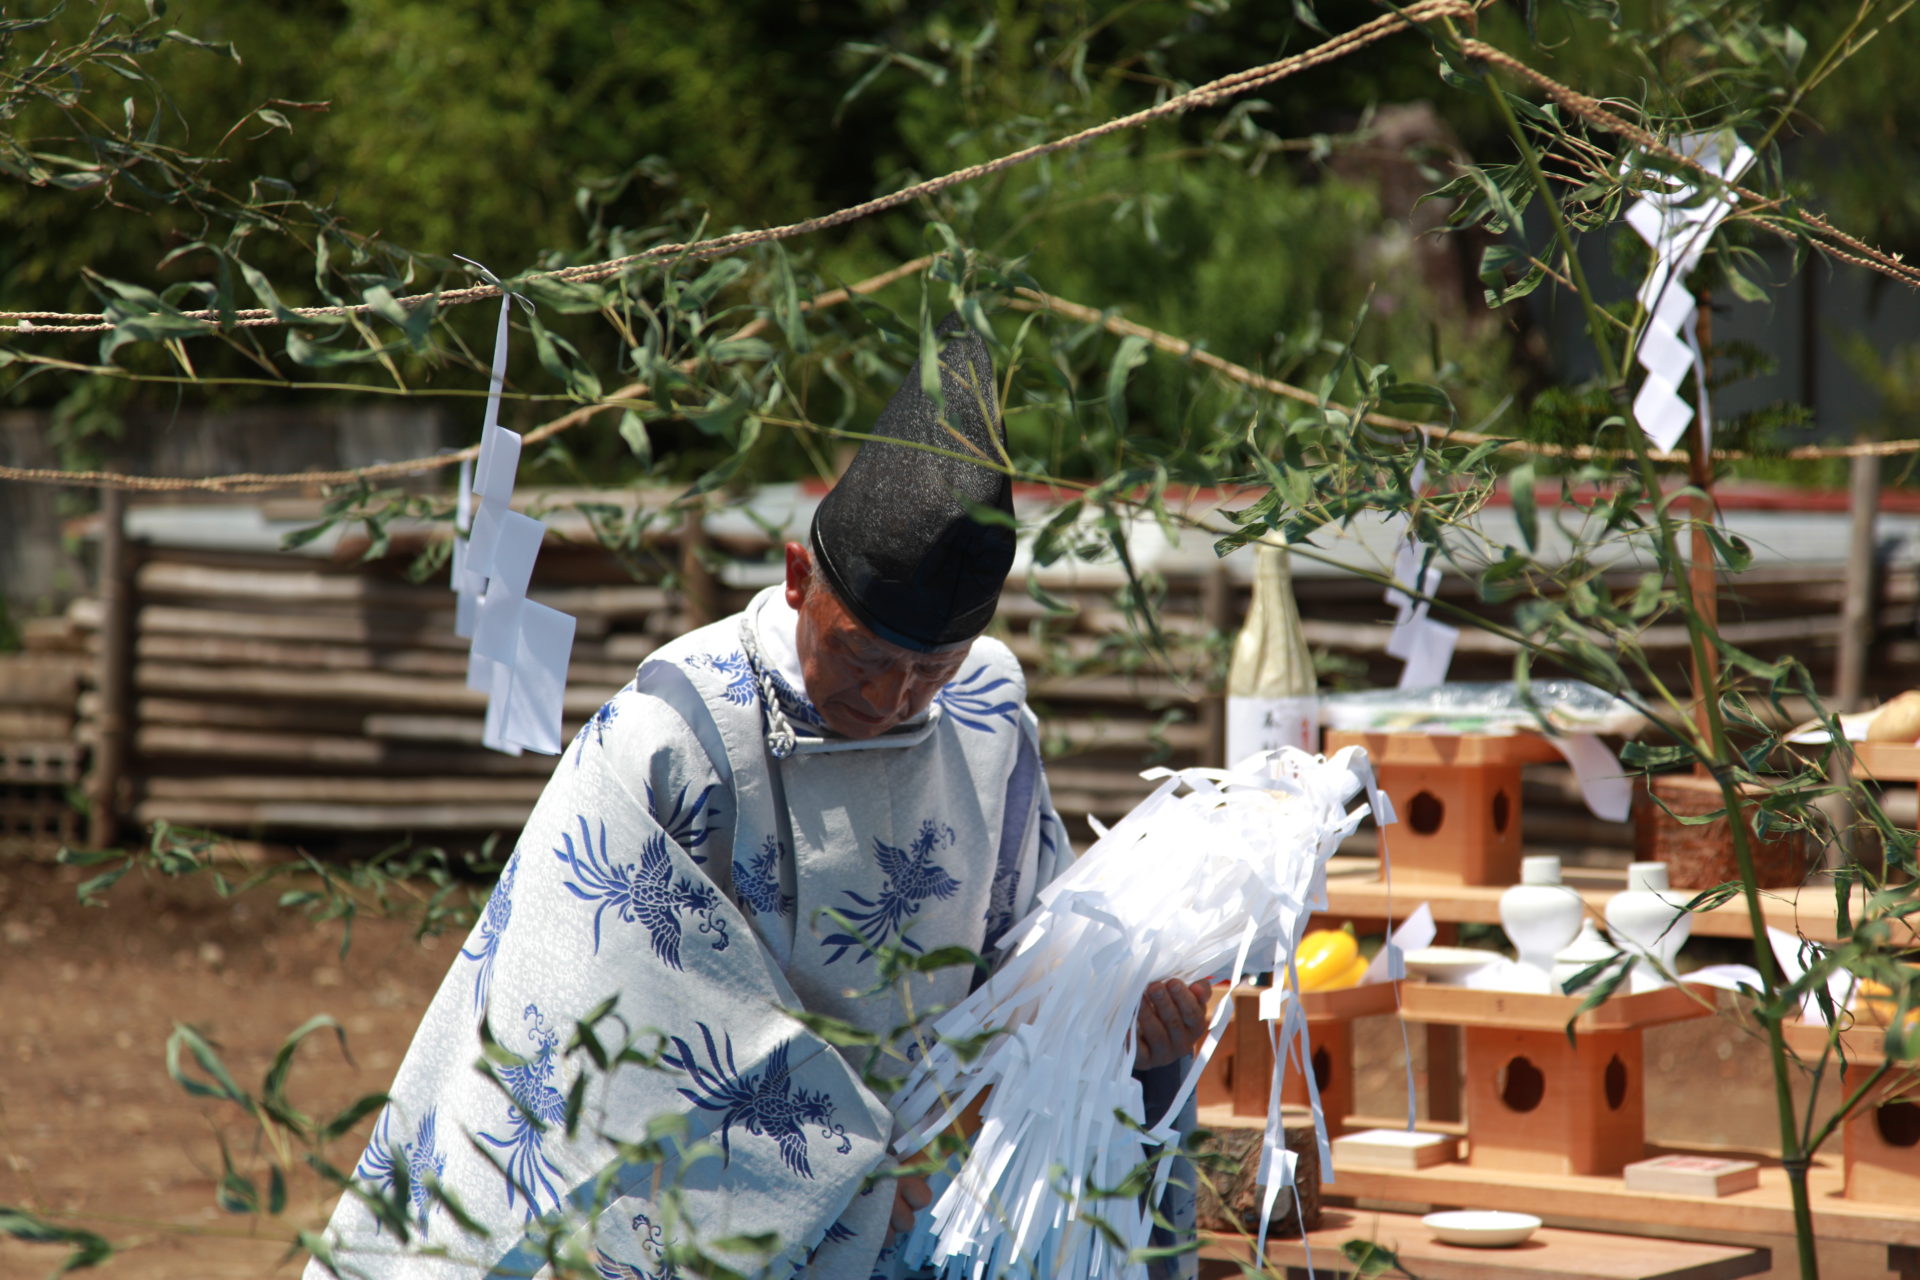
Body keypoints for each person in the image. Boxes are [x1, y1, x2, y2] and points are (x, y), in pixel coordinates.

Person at [304, 317, 1211, 1280]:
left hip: (944, 1201)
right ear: (796, 577)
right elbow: (607, 1019)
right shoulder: (678, 731)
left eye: (930, 668)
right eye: (863, 654)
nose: (893, 699)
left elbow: (1025, 960)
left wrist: (1116, 1012)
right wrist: (867, 1171)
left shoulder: (985, 714)